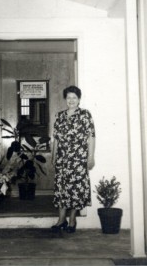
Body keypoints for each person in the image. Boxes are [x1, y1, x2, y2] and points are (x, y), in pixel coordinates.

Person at [51, 85, 95, 233]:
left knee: (76, 189)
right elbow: (56, 139)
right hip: (62, 159)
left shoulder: (85, 115)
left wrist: (90, 157)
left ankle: (72, 220)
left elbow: (91, 137)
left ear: (79, 99)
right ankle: (61, 220)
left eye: (74, 98)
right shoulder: (60, 116)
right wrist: (54, 156)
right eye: (68, 97)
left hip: (78, 159)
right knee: (62, 189)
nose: (71, 100)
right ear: (65, 99)